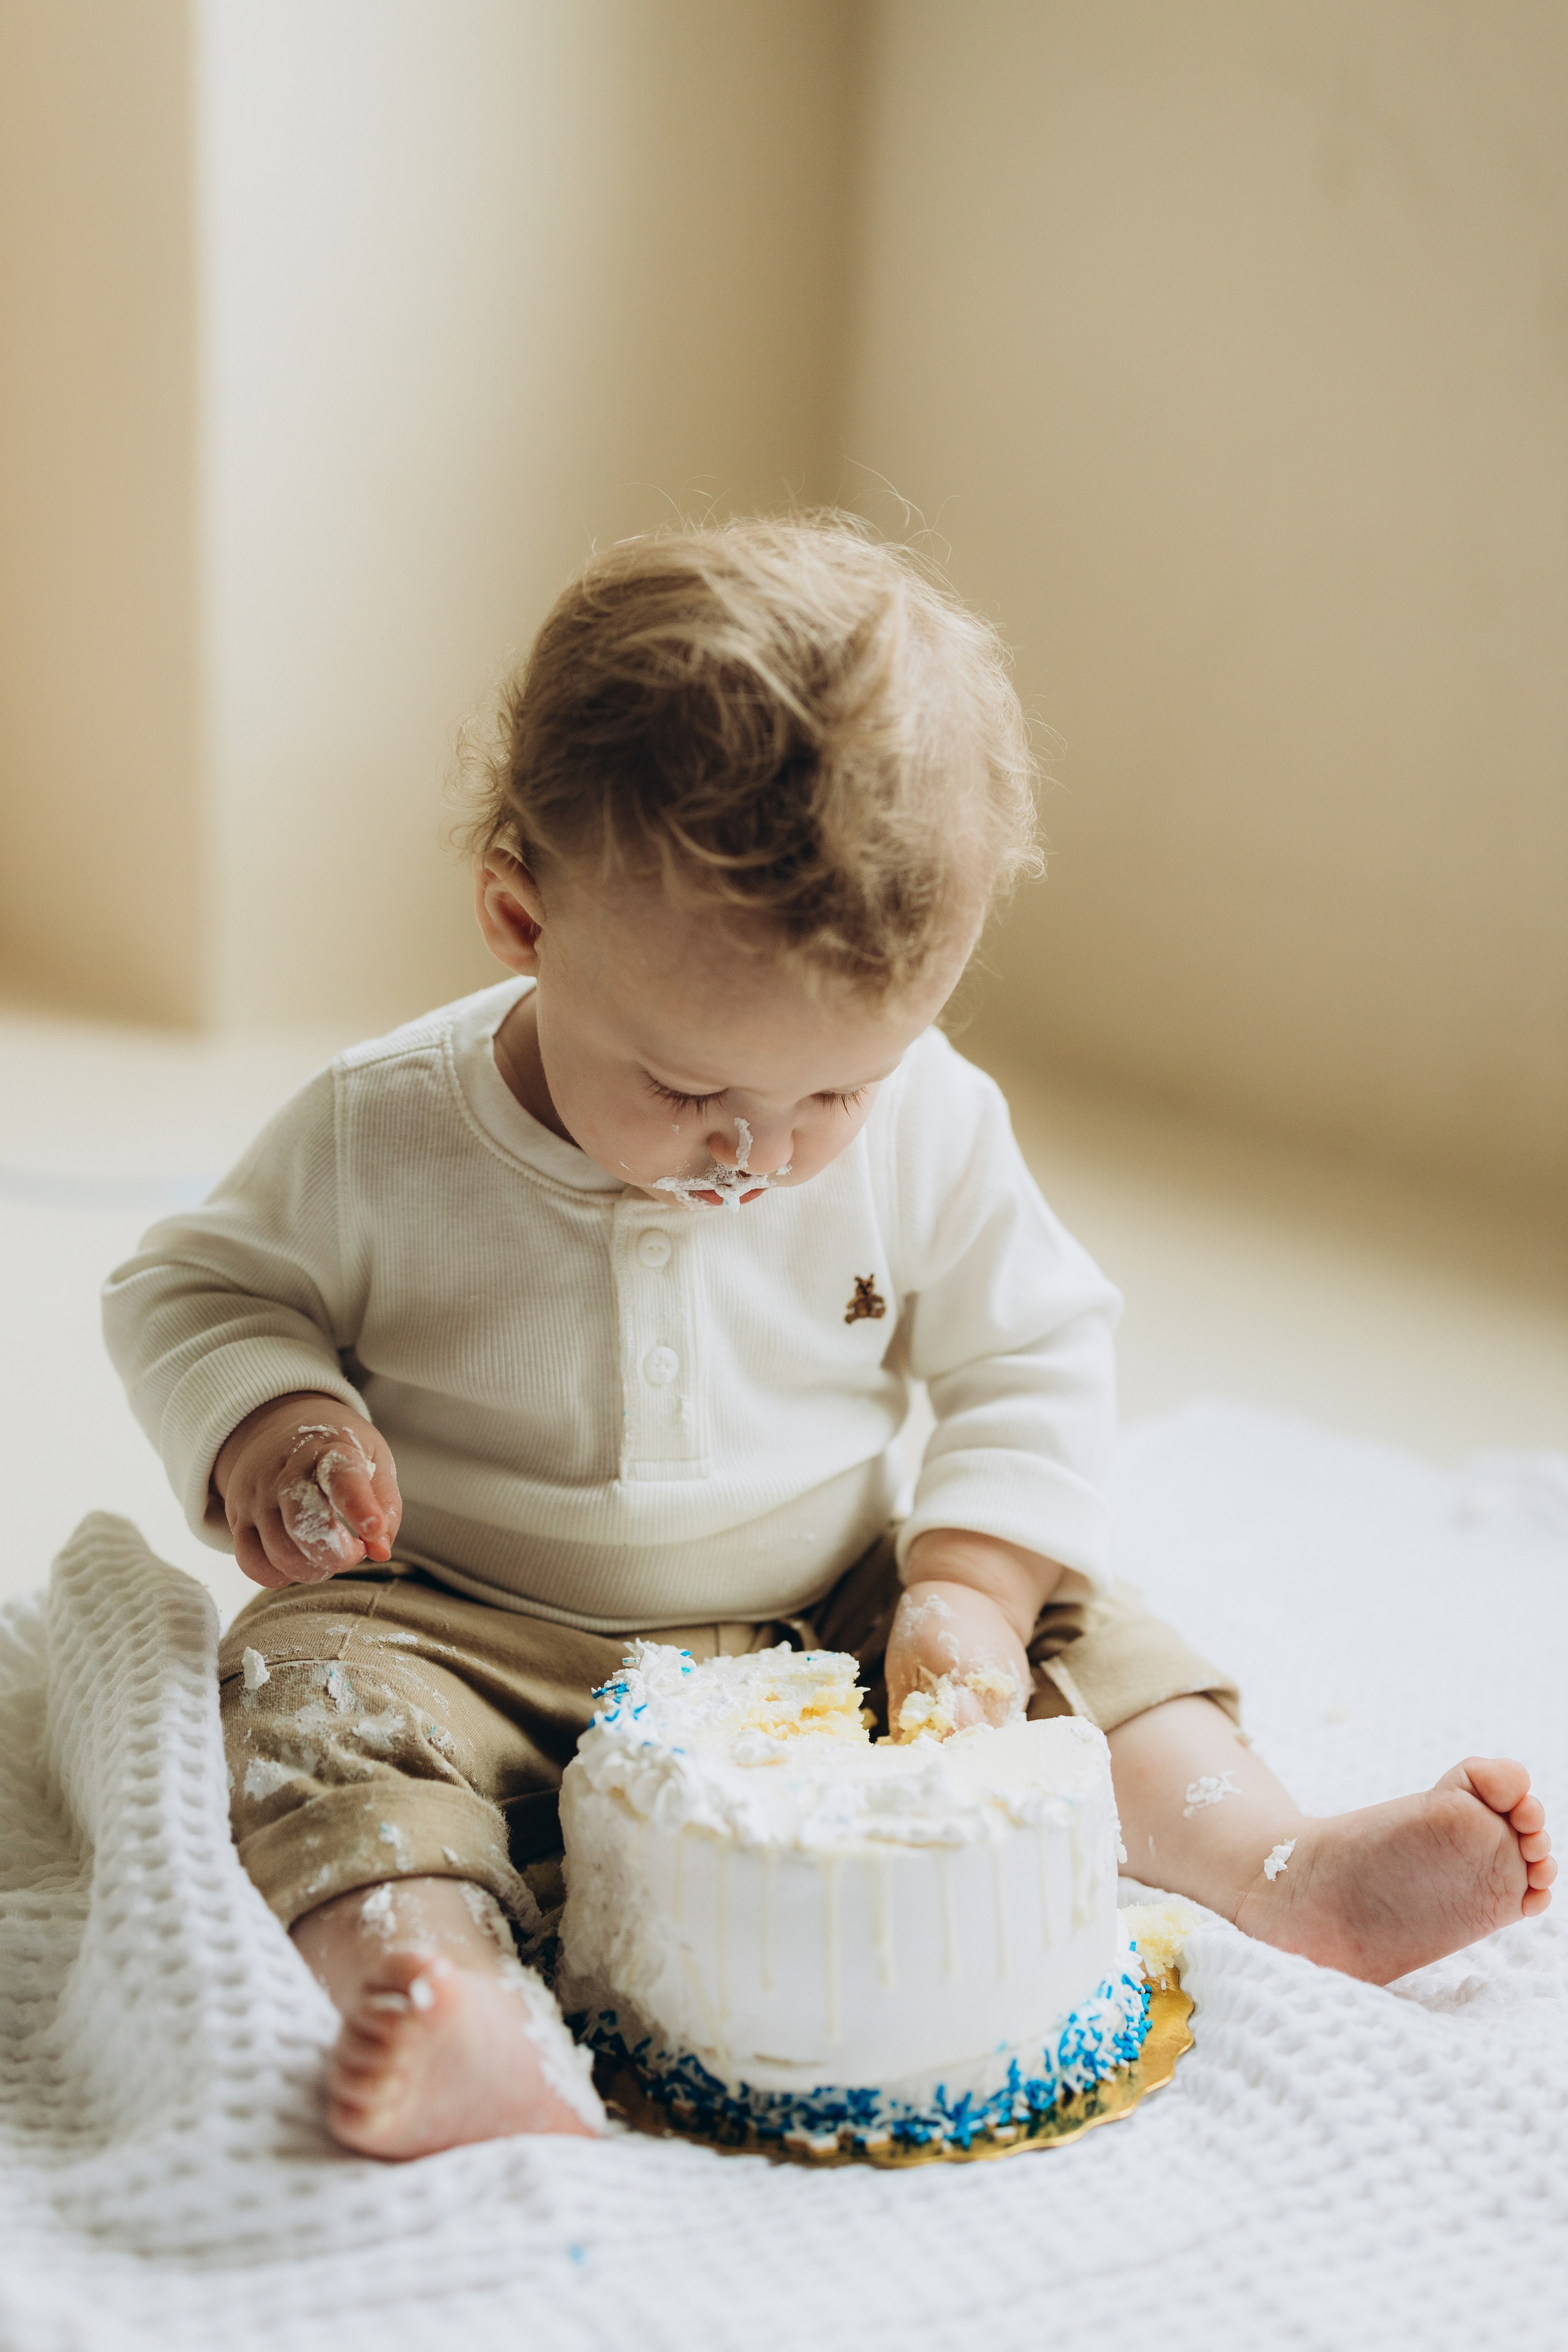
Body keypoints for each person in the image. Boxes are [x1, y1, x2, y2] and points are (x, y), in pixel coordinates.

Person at [104, 516, 1553, 2162]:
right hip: (467, 1623)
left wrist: (970, 1588)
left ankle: (1276, 1863)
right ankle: (438, 1993)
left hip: (830, 1606)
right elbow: (190, 1292)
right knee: (300, 1702)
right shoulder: (381, 1132)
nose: (760, 1153)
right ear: (521, 918)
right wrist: (277, 1426)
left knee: (1091, 1628)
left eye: (830, 1096)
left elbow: (1035, 1346)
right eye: (692, 1090)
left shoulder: (929, 1121)